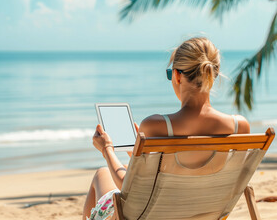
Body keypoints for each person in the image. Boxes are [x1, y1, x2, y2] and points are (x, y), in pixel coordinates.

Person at [82, 37, 250, 220]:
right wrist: (138, 153)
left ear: (177, 76)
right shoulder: (239, 126)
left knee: (101, 174)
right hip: (205, 214)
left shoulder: (156, 126)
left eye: (170, 74)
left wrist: (107, 149)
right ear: (213, 74)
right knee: (119, 169)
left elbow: (129, 190)